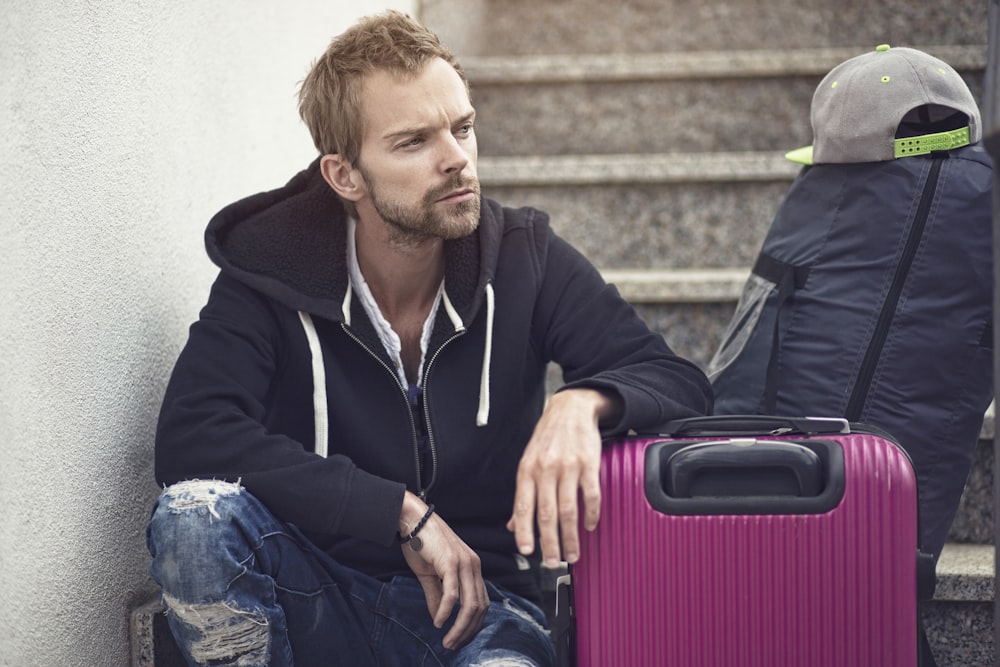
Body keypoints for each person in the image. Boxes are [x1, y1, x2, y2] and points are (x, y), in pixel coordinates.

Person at [147, 10, 712, 667]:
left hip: (484, 618)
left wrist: (582, 402)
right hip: (320, 592)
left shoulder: (524, 257)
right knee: (194, 519)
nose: (456, 159)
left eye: (463, 127)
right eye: (414, 141)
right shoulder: (269, 273)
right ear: (345, 175)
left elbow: (680, 383)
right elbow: (193, 436)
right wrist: (396, 511)